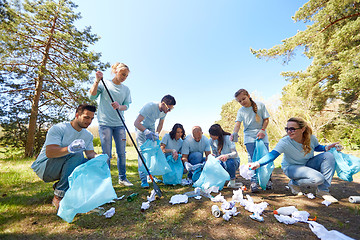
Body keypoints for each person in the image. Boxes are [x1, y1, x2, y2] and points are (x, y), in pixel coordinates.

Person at [249, 117, 340, 203]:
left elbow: (316, 147)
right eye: (287, 129)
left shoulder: (311, 138)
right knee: (319, 179)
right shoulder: (285, 142)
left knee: (329, 156)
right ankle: (294, 183)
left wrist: (327, 147)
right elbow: (272, 154)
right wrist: (258, 163)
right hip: (292, 168)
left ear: (302, 129)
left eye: (292, 129)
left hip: (307, 164)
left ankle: (323, 191)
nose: (289, 131)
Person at [31, 104, 97, 210]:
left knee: (91, 164)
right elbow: (50, 152)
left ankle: (68, 189)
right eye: (86, 117)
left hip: (65, 165)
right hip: (45, 168)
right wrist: (69, 149)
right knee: (77, 154)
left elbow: (90, 154)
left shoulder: (88, 135)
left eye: (92, 119)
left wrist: (99, 157)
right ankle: (58, 196)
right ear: (77, 115)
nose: (89, 121)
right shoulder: (59, 128)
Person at [89, 62, 133, 187]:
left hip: (119, 124)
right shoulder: (105, 83)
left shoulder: (126, 89)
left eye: (126, 75)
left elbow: (127, 106)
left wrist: (119, 106)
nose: (124, 77)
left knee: (122, 153)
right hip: (105, 123)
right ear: (115, 72)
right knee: (106, 154)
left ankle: (122, 178)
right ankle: (106, 180)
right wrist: (97, 81)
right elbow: (92, 96)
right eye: (122, 74)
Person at [230, 89, 271, 193]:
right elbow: (238, 123)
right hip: (249, 136)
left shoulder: (260, 105)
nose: (242, 102)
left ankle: (268, 179)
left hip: (261, 133)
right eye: (240, 101)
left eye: (243, 99)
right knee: (251, 158)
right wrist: (234, 133)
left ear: (248, 95)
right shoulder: (241, 111)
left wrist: (262, 130)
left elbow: (266, 119)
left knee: (265, 157)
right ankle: (254, 181)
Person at [134, 94, 176, 188]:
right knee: (142, 153)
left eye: (171, 109)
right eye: (168, 109)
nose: (168, 111)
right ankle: (144, 180)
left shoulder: (164, 112)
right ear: (163, 104)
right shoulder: (149, 106)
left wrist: (157, 133)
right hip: (141, 129)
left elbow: (161, 123)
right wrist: (145, 131)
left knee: (153, 153)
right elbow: (136, 122)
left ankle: (151, 176)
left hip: (151, 129)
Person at [209, 124, 241, 188]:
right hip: (221, 161)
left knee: (229, 162)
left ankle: (232, 180)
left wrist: (227, 156)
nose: (212, 137)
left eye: (213, 135)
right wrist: (214, 156)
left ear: (218, 134)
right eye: (210, 135)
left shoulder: (228, 138)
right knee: (216, 163)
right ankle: (221, 179)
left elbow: (235, 153)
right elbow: (215, 153)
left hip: (233, 161)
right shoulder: (211, 141)